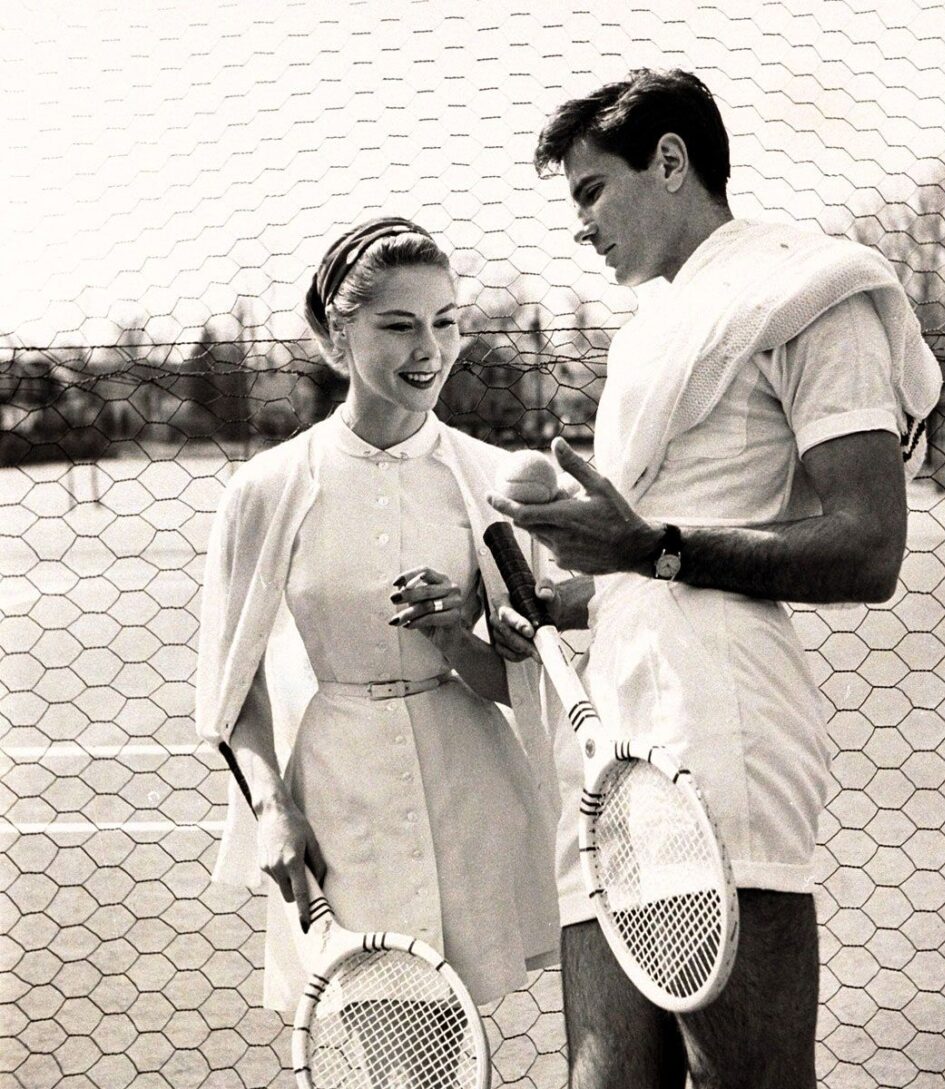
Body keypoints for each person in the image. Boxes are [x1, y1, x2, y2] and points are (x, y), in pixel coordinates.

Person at [488, 69, 942, 1088]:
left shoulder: (810, 292)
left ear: (673, 161)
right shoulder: (657, 327)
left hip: (721, 732)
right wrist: (559, 598)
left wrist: (648, 548)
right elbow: (644, 560)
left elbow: (869, 547)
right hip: (613, 729)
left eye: (592, 193)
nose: (583, 228)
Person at [195, 216, 560, 1014]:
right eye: (398, 326)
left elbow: (530, 685)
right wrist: (273, 811)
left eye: (445, 321)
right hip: (336, 800)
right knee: (381, 1040)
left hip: (473, 795)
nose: (427, 349)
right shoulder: (266, 488)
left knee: (456, 1048)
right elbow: (232, 688)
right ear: (338, 339)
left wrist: (454, 637)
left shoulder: (492, 480)